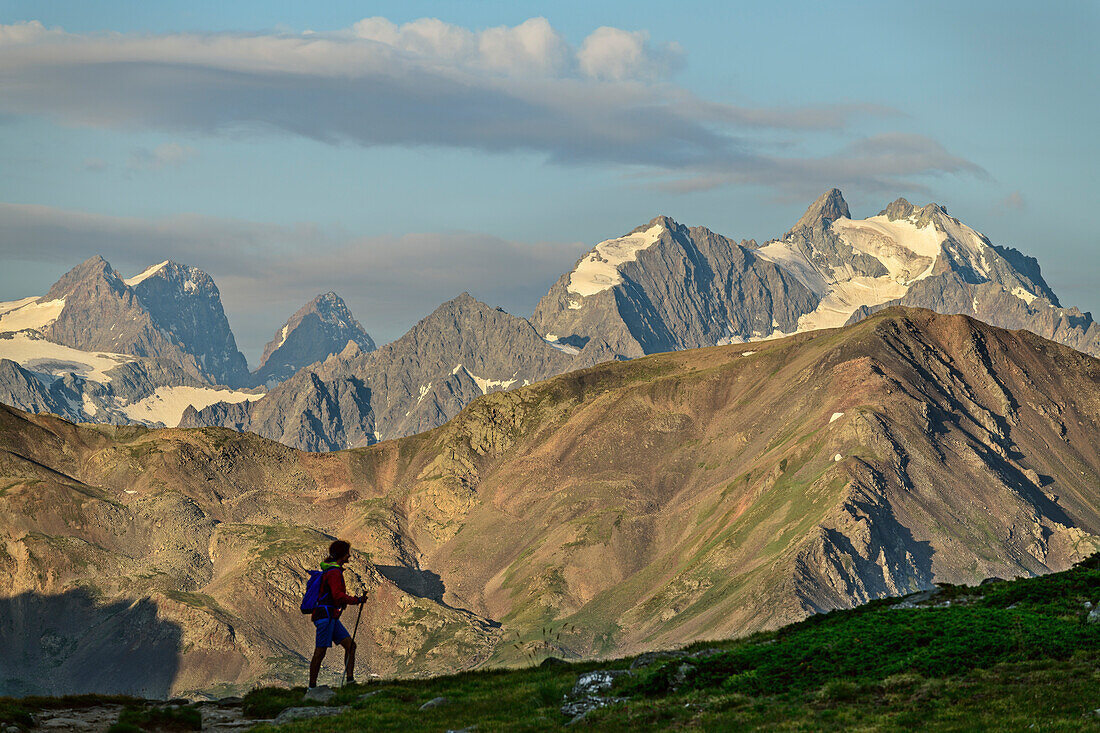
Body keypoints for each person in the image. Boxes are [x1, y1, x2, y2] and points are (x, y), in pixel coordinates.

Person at [308, 539, 365, 687]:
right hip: (326, 616)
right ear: (342, 554)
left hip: (328, 616)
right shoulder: (334, 573)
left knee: (350, 646)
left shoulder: (332, 571)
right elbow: (337, 595)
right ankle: (312, 687)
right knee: (320, 651)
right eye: (347, 553)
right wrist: (356, 600)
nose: (349, 556)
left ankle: (350, 681)